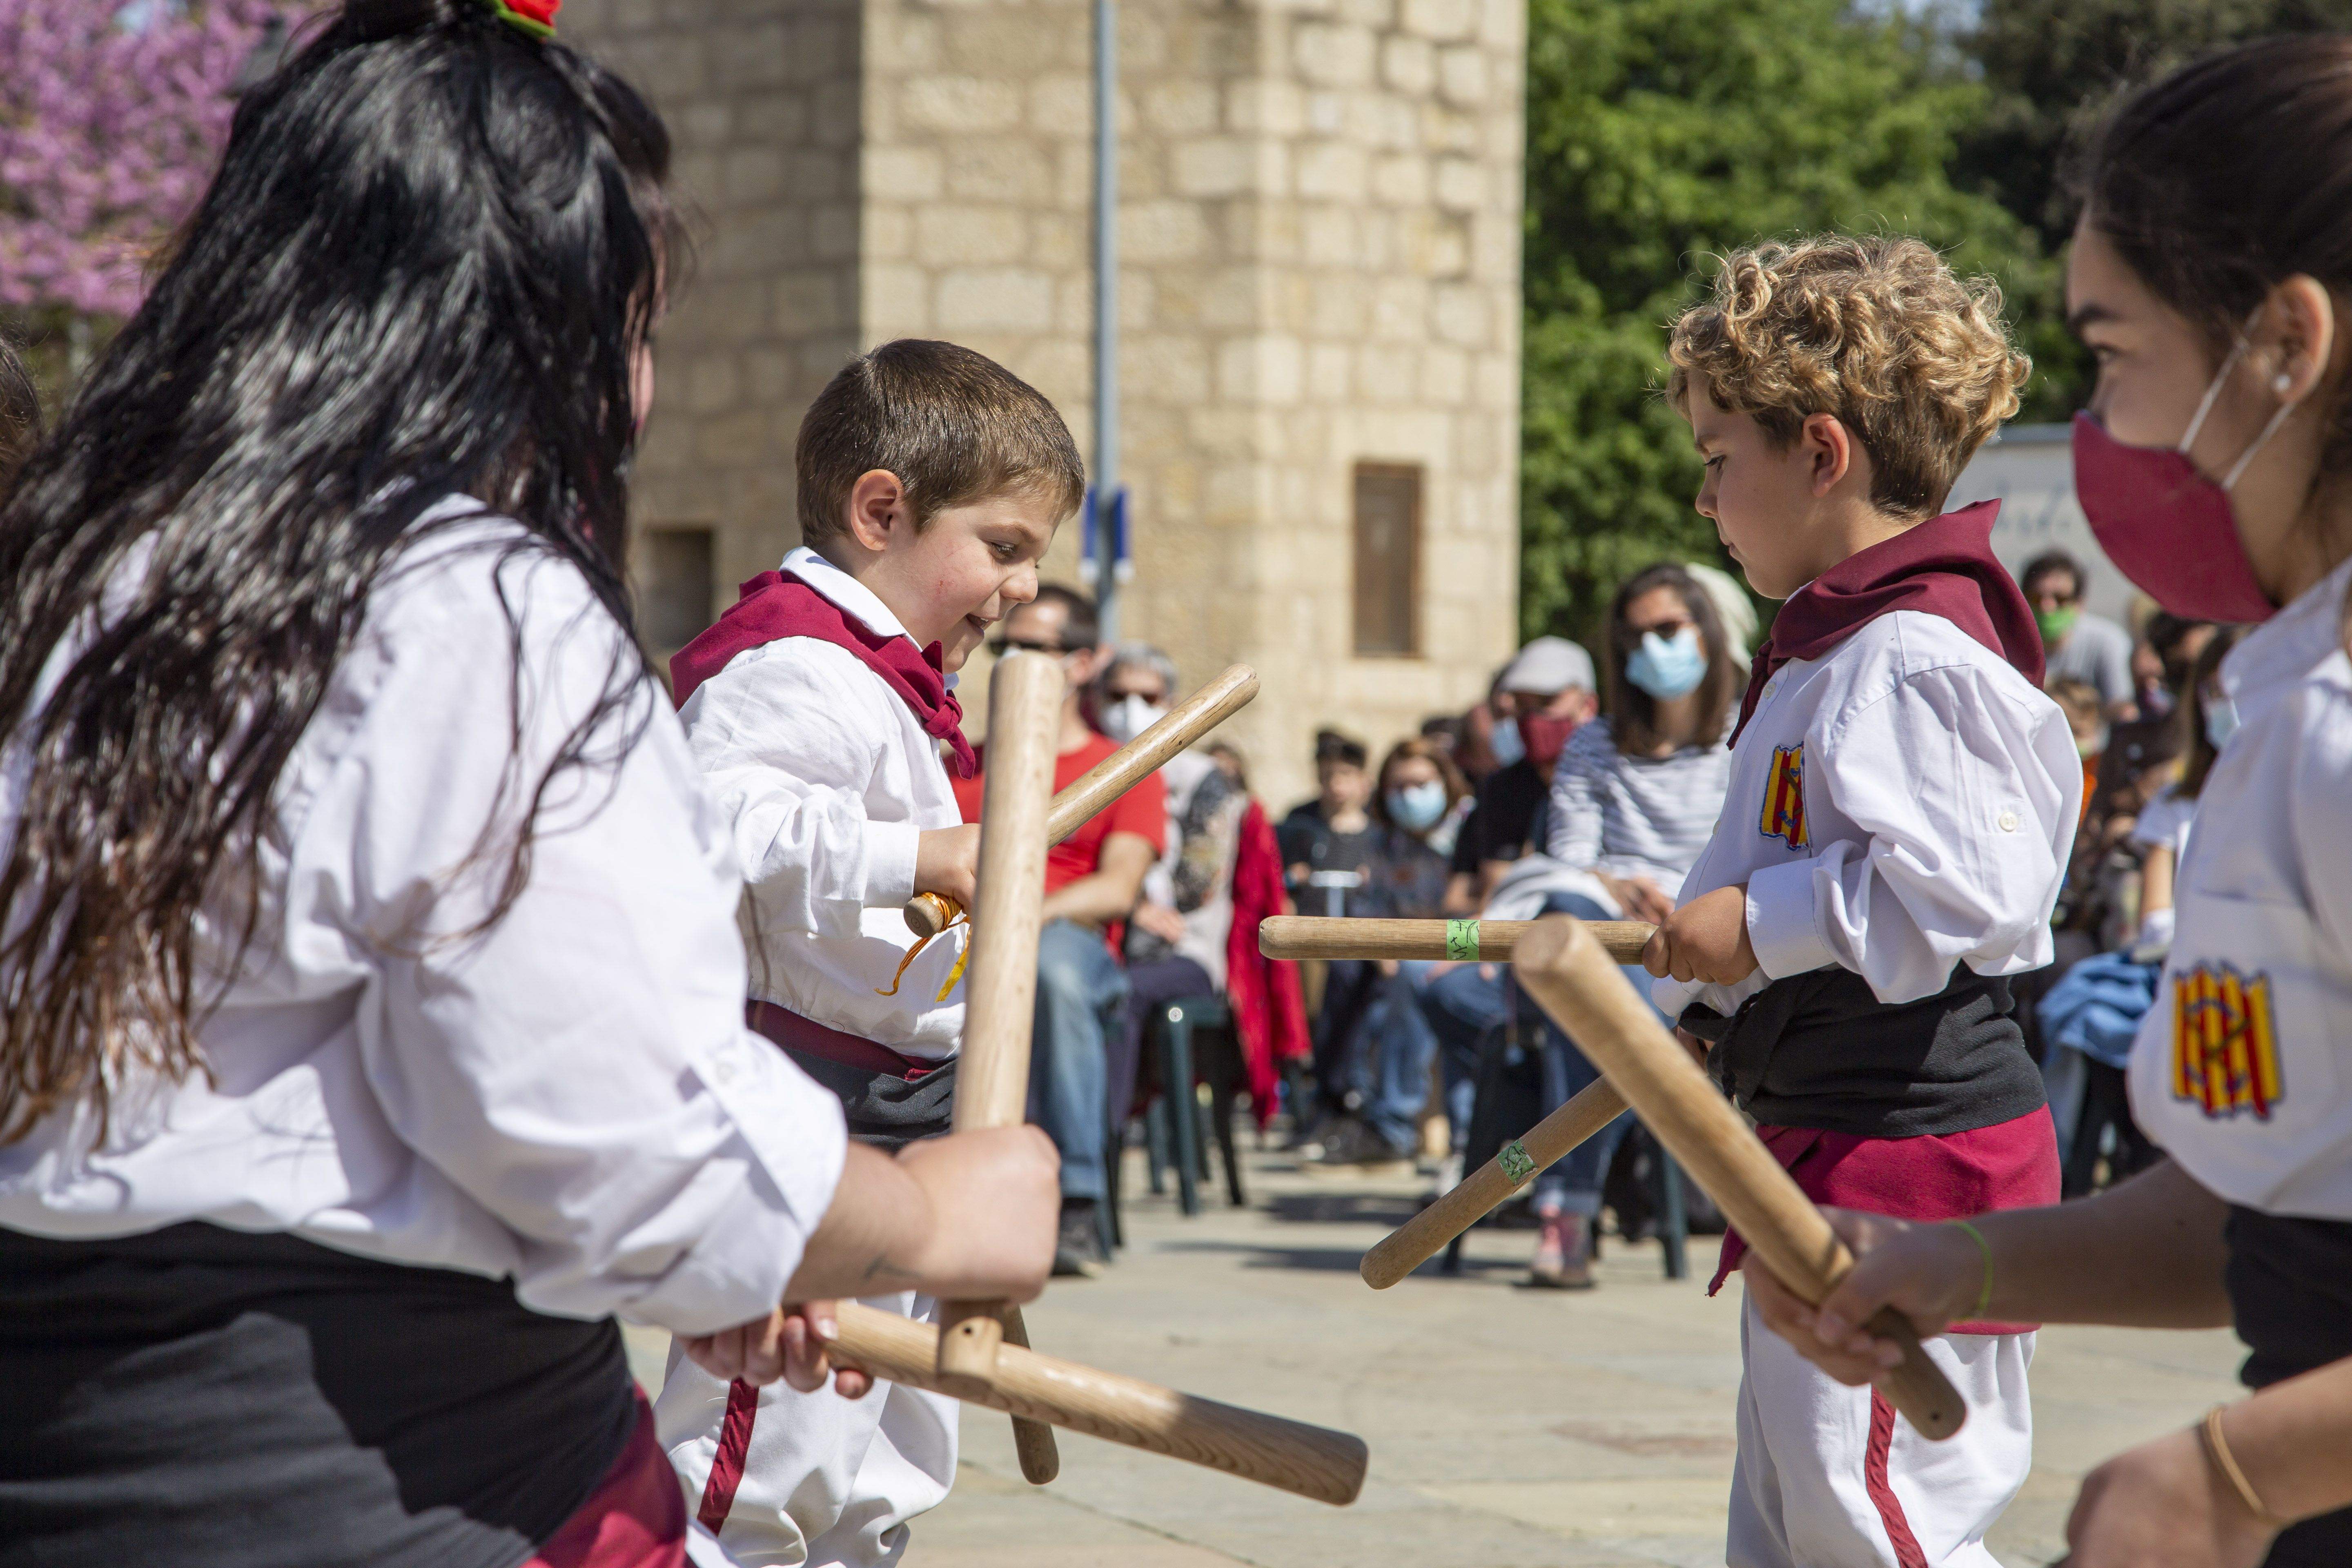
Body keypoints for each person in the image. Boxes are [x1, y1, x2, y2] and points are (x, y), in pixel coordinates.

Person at [0, 8, 1058, 1566]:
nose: (631, 396)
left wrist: (728, 1253)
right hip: (386, 1480)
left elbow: (322, 1061)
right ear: (516, 325)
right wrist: (932, 1211)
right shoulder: (460, 606)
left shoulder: (77, 566)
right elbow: (604, 1132)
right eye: (628, 331)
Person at [1748, 42, 2352, 1566]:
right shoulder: (2284, 708)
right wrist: (1956, 1262)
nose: (2093, 425)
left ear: (2284, 345)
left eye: (2109, 351)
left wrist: (2224, 1475)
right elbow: (2271, 1216)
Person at [1649, 232, 2071, 1568]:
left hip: (1911, 1173)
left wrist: (1758, 932)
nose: (1706, 504)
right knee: (1790, 1523)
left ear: (1821, 453)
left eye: (1722, 461)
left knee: (1878, 1525)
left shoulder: (1908, 647)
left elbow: (1979, 893)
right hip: (1824, 1150)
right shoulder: (1833, 648)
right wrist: (1715, 994)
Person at [655, 339, 1080, 1565]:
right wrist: (923, 856)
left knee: (893, 1434)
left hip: (912, 1102)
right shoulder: (793, 664)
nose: (1018, 590)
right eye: (1004, 546)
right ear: (881, 509)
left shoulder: (902, 680)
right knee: (768, 1443)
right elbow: (721, 822)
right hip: (808, 1098)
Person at [1519, 563, 1741, 1287]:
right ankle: (1571, 1207)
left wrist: (1700, 906)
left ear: (1706, 633)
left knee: (1589, 1002)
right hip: (1612, 934)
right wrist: (1616, 885)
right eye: (1637, 635)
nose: (1653, 647)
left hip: (1720, 939)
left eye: (1668, 629)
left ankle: (1568, 1205)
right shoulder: (1594, 743)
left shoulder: (1750, 729)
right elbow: (1570, 860)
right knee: (1573, 944)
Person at [953, 586, 1165, 1278]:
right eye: (1004, 644)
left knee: (1050, 972)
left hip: (1066, 937)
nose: (1011, 659)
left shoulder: (1120, 767)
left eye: (1033, 648)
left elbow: (1118, 888)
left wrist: (1019, 915)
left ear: (1082, 663)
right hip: (959, 929)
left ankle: (1075, 1196)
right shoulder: (964, 764)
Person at [1099, 643, 1249, 1158]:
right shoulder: (1089, 766)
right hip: (1106, 933)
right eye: (1117, 694)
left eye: (1147, 695)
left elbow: (1196, 884)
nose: (1129, 708)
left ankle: (1101, 1143)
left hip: (1186, 949)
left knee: (1116, 991)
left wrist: (1126, 896)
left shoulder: (1204, 777)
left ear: (1172, 701)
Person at [1313, 736, 1472, 1166]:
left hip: (1466, 950)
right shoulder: (1385, 842)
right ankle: (1341, 1102)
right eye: (1399, 787)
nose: (1410, 797)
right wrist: (1385, 952)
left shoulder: (1471, 829)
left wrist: (1442, 956)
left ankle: (1394, 1125)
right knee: (1356, 982)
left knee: (1411, 983)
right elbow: (1371, 909)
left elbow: (1482, 907)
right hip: (1400, 956)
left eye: (1421, 784)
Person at [1447, 636, 1599, 911]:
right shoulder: (1501, 791)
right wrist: (1456, 951)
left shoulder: (1619, 780)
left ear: (1587, 706)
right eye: (1523, 706)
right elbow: (1476, 903)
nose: (1533, 719)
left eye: (1546, 702)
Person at [2023, 548, 2139, 717]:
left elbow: (2123, 711)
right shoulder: (2006, 646)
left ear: (2079, 603)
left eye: (2060, 599)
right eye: (2036, 598)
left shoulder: (2108, 642)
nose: (2047, 608)